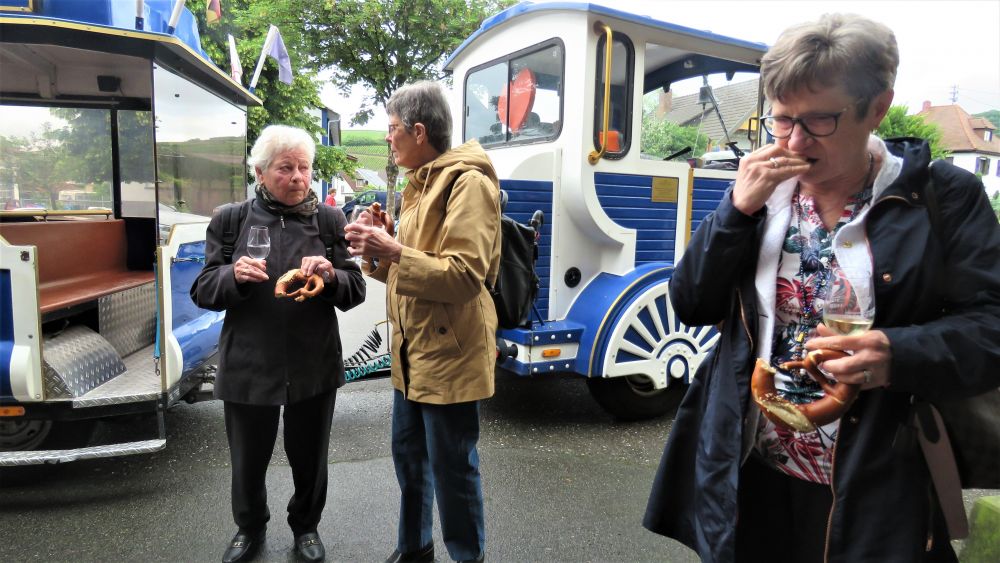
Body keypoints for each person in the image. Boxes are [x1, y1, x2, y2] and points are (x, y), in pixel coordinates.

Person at [643, 14, 1000, 563]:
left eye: (819, 121)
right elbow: (691, 304)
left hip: (874, 479)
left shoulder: (944, 196)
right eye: (781, 120)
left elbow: (991, 326)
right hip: (751, 469)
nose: (794, 141)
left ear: (877, 108)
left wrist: (896, 352)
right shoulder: (760, 190)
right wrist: (736, 212)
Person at [191, 125, 366, 563]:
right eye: (285, 168)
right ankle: (249, 528)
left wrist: (329, 276)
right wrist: (232, 276)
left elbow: (355, 288)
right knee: (248, 461)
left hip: (313, 363)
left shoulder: (329, 222)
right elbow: (203, 289)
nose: (297, 177)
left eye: (304, 168)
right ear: (260, 172)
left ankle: (306, 527)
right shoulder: (230, 220)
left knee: (310, 457)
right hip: (249, 364)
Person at [343, 81, 501, 563]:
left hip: (450, 353)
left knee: (454, 470)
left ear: (417, 130)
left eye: (391, 130)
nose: (387, 140)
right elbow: (405, 269)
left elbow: (463, 276)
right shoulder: (421, 182)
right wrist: (378, 246)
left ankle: (466, 556)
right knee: (410, 462)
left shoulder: (467, 182)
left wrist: (393, 250)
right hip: (411, 352)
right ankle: (414, 549)